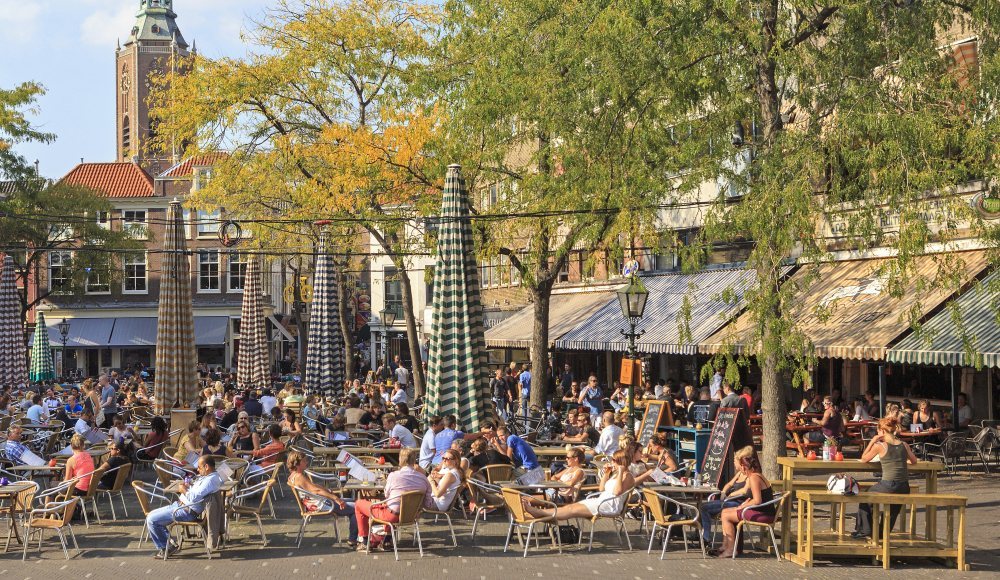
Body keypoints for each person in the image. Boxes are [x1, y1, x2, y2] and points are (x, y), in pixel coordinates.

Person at [354, 447, 433, 550]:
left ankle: (365, 542)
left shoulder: (393, 476)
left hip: (392, 515)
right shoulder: (424, 479)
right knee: (390, 505)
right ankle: (387, 541)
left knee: (359, 504)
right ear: (414, 460)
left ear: (400, 459)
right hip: (411, 516)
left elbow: (387, 495)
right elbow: (428, 504)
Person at [522, 448, 634, 521]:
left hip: (609, 506)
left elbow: (617, 492)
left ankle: (539, 513)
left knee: (571, 510)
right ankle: (541, 513)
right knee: (570, 507)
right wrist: (607, 473)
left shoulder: (627, 476)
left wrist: (620, 472)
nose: (612, 462)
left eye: (614, 460)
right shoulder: (615, 474)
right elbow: (601, 488)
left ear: (621, 462)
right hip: (601, 500)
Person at [853, 417, 918, 539]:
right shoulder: (904, 444)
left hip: (889, 484)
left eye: (878, 431)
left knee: (865, 497)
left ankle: (865, 530)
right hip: (904, 486)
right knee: (893, 510)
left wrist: (873, 441)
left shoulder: (881, 446)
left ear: (882, 431)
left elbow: (863, 458)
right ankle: (882, 534)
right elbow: (913, 461)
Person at [145, 456, 223, 558]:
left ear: (206, 467)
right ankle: (170, 544)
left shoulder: (210, 480)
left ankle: (166, 547)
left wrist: (183, 490)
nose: (197, 470)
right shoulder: (209, 477)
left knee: (151, 519)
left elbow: (194, 497)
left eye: (199, 467)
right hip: (181, 506)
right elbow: (197, 494)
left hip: (186, 511)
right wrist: (189, 487)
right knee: (150, 516)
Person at [286, 450, 359, 548]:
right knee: (357, 508)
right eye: (304, 461)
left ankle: (357, 535)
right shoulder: (300, 477)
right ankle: (353, 539)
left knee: (354, 502)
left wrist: (328, 490)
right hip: (321, 505)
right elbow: (316, 491)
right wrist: (336, 498)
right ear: (298, 463)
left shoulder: (292, 476)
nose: (306, 462)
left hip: (315, 503)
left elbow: (313, 486)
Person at [716, 447, 776, 558]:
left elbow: (758, 500)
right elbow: (758, 496)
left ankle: (730, 549)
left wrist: (743, 506)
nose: (740, 471)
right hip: (762, 511)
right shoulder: (757, 475)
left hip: (764, 514)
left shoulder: (753, 478)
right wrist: (745, 503)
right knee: (725, 511)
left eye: (740, 468)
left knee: (726, 516)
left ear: (744, 467)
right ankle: (727, 545)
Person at [699, 447, 751, 544]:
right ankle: (704, 536)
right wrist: (723, 492)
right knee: (703, 507)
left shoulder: (749, 475)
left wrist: (731, 494)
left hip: (738, 503)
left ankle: (705, 538)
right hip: (729, 500)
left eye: (735, 462)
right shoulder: (740, 473)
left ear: (741, 463)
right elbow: (730, 484)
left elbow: (744, 491)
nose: (734, 464)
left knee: (704, 508)